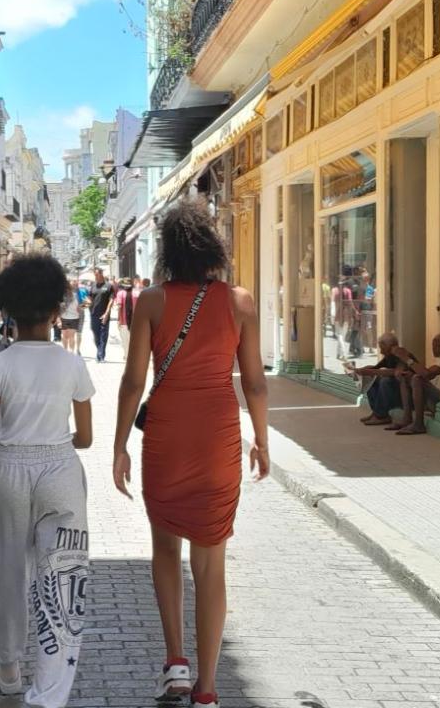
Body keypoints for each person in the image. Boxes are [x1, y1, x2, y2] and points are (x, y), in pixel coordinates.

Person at [113, 199, 270, 708]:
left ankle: (174, 665)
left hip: (167, 438)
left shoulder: (152, 303)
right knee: (211, 563)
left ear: (166, 252)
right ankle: (206, 688)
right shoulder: (240, 301)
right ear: (212, 247)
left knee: (165, 549)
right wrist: (262, 440)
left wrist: (119, 448)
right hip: (219, 438)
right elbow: (255, 383)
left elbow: (134, 380)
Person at [0, 254, 94, 708]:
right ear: (56, 311)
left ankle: (9, 668)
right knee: (63, 576)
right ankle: (50, 688)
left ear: (9, 311)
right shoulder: (72, 365)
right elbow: (86, 437)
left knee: (9, 573)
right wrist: (58, 441)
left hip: (9, 471)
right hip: (61, 471)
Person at [388, 335, 440, 434]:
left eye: (437, 344)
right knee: (406, 377)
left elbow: (425, 374)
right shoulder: (437, 361)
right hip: (429, 401)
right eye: (433, 343)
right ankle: (407, 419)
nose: (434, 347)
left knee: (416, 378)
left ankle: (419, 424)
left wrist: (407, 358)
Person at [350, 333, 408, 426]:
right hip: (393, 392)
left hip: (404, 394)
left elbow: (395, 372)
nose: (381, 352)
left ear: (390, 346)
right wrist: (360, 371)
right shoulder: (389, 356)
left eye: (382, 348)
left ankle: (381, 415)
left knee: (385, 381)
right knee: (370, 379)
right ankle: (376, 412)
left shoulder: (401, 354)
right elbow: (376, 368)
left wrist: (370, 372)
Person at [88, 269, 115, 363]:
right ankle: (99, 351)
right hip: (93, 314)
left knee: (103, 335)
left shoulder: (108, 286)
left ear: (101, 274)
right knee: (96, 334)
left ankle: (101, 356)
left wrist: (107, 313)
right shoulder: (93, 285)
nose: (95, 276)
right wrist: (83, 305)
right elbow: (90, 299)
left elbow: (111, 300)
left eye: (96, 274)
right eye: (94, 275)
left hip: (104, 314)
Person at [115, 278, 140, 360]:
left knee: (125, 341)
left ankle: (127, 355)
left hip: (124, 322)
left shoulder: (120, 293)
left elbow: (119, 307)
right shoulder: (137, 293)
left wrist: (118, 320)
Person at [59, 285, 82, 354]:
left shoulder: (75, 296)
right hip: (65, 318)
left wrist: (79, 309)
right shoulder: (62, 297)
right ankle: (66, 351)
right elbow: (59, 308)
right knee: (65, 336)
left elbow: (81, 306)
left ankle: (70, 352)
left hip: (73, 318)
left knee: (70, 336)